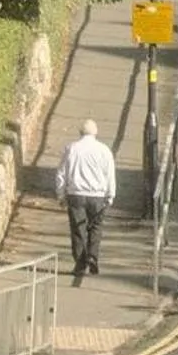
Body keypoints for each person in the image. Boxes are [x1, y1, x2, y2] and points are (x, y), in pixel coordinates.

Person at [55, 118, 116, 279]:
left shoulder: (71, 148)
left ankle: (80, 264)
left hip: (76, 194)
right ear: (96, 133)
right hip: (97, 195)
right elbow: (110, 174)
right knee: (96, 228)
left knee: (78, 230)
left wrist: (61, 194)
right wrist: (111, 195)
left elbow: (61, 173)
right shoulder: (104, 150)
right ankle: (92, 256)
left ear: (80, 132)